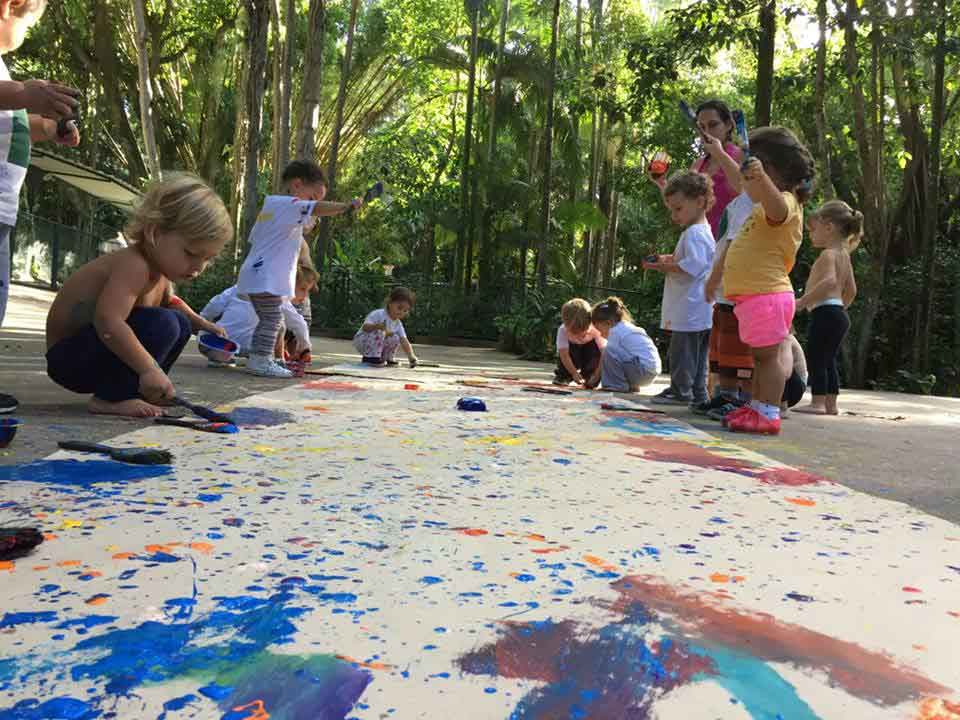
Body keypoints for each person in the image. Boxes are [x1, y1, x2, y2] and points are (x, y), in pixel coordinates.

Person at [45, 175, 233, 417]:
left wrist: (203, 325)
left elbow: (172, 303)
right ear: (155, 233)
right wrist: (148, 368)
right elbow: (108, 321)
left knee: (180, 323)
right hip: (69, 360)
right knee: (163, 323)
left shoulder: (160, 271)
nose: (198, 267)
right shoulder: (135, 264)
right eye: (191, 253)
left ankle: (144, 390)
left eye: (207, 259)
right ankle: (111, 398)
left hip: (94, 351)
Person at [0, 0, 83, 414]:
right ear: (7, 8)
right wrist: (23, 91)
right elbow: (10, 99)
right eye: (29, 21)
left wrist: (51, 126)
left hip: (3, 208)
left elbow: (14, 122)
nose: (28, 31)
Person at [721, 126, 816, 435]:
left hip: (767, 294)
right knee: (759, 359)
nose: (749, 179)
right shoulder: (762, 201)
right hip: (756, 295)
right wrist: (724, 156)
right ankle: (757, 407)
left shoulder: (785, 202)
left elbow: (775, 208)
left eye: (757, 170)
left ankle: (768, 413)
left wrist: (759, 178)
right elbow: (742, 184)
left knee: (767, 358)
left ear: (774, 170)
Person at [236, 160, 360, 378]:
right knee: (273, 319)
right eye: (312, 198)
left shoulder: (273, 207)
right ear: (296, 185)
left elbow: (270, 234)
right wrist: (345, 207)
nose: (314, 205)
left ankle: (260, 356)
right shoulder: (287, 203)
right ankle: (260, 360)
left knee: (271, 318)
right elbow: (317, 210)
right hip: (265, 275)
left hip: (258, 272)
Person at [643, 172, 715, 406]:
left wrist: (662, 267)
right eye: (672, 210)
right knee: (697, 354)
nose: (674, 216)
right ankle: (697, 393)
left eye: (678, 209)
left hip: (690, 307)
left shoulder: (694, 233)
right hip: (700, 309)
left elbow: (691, 266)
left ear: (700, 202)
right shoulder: (702, 231)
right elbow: (692, 260)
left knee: (682, 352)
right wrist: (666, 259)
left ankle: (680, 390)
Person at [795, 200, 861, 416]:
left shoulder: (828, 255)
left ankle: (818, 402)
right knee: (828, 359)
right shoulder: (844, 256)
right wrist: (840, 309)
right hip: (838, 314)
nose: (811, 235)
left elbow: (830, 282)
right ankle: (831, 404)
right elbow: (851, 290)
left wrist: (803, 301)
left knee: (816, 357)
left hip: (825, 312)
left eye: (813, 230)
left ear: (829, 227)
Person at [650, 99, 744, 239]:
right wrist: (661, 182)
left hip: (733, 248)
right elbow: (683, 206)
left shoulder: (741, 156)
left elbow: (747, 189)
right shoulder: (698, 165)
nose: (706, 132)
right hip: (703, 247)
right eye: (702, 127)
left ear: (729, 125)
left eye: (713, 125)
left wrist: (719, 154)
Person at [700, 191, 756, 421]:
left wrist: (714, 277)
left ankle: (742, 401)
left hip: (737, 291)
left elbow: (734, 244)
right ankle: (727, 395)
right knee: (722, 351)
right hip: (725, 295)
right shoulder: (740, 199)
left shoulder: (750, 202)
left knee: (739, 354)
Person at [199, 264, 317, 366]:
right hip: (251, 348)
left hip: (219, 345)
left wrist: (203, 324)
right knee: (279, 324)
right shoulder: (279, 297)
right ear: (288, 283)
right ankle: (277, 361)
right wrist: (304, 349)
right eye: (303, 289)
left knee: (223, 324)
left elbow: (212, 307)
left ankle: (219, 358)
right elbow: (299, 324)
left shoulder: (237, 289)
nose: (305, 296)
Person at [590, 296, 661, 393]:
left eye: (600, 330)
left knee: (608, 350)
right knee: (615, 352)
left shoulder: (615, 332)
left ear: (608, 323)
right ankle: (631, 385)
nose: (600, 335)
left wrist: (594, 379)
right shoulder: (626, 327)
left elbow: (605, 356)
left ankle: (615, 386)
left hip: (642, 371)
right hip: (650, 372)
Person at [354, 286, 418, 367]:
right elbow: (365, 328)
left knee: (395, 337)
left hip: (376, 345)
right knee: (381, 332)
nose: (401, 312)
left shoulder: (398, 324)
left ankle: (387, 358)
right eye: (399, 308)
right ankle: (370, 358)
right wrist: (377, 326)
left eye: (405, 310)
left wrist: (411, 357)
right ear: (390, 303)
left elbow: (404, 340)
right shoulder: (378, 314)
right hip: (363, 342)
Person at [553, 298, 606, 388]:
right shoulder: (563, 330)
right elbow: (564, 355)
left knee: (595, 352)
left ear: (590, 322)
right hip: (572, 351)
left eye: (583, 331)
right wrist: (574, 373)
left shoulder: (596, 329)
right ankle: (564, 376)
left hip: (589, 349)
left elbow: (604, 354)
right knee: (566, 354)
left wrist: (596, 375)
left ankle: (589, 376)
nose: (579, 336)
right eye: (574, 332)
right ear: (566, 324)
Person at [781, 330, 808, 416]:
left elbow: (786, 371)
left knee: (778, 365)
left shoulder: (786, 337)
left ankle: (782, 406)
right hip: (791, 384)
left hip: (794, 390)